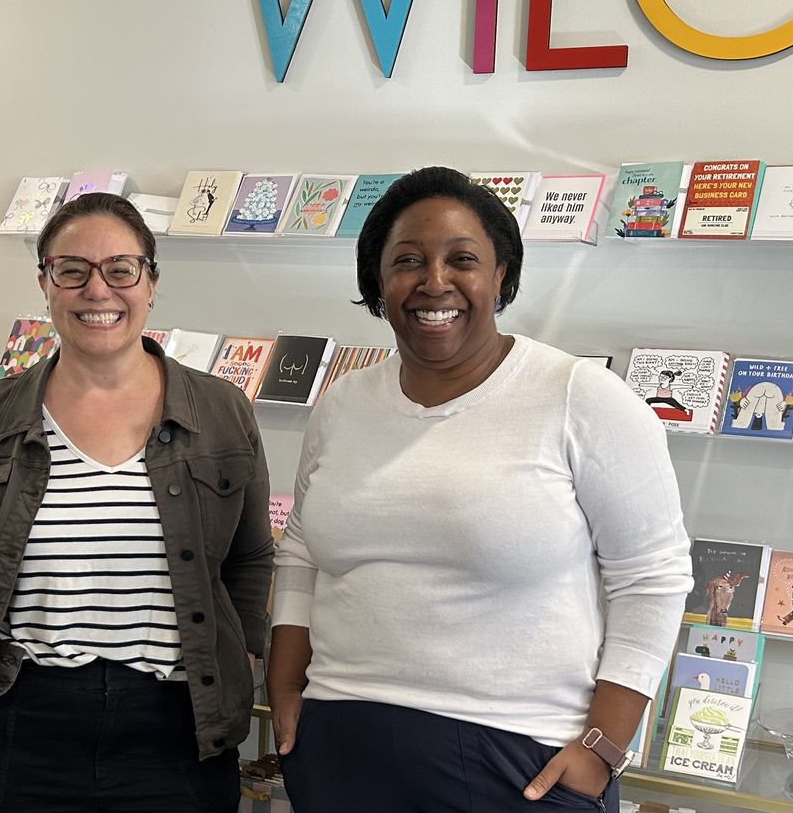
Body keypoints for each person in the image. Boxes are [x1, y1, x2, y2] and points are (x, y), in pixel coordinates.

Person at [267, 167, 693, 812]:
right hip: (340, 741)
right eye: (407, 260)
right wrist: (285, 686)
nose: (434, 282)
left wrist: (604, 746)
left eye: (462, 259)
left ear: (502, 276)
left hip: (518, 755)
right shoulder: (343, 404)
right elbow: (300, 551)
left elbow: (652, 576)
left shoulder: (579, 396)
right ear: (376, 282)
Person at [0, 191, 275, 813]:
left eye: (120, 269)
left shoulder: (220, 413)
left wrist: (240, 655)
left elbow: (249, 560)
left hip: (179, 726)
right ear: (46, 283)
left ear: (151, 282)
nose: (98, 290)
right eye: (72, 271)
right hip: (12, 718)